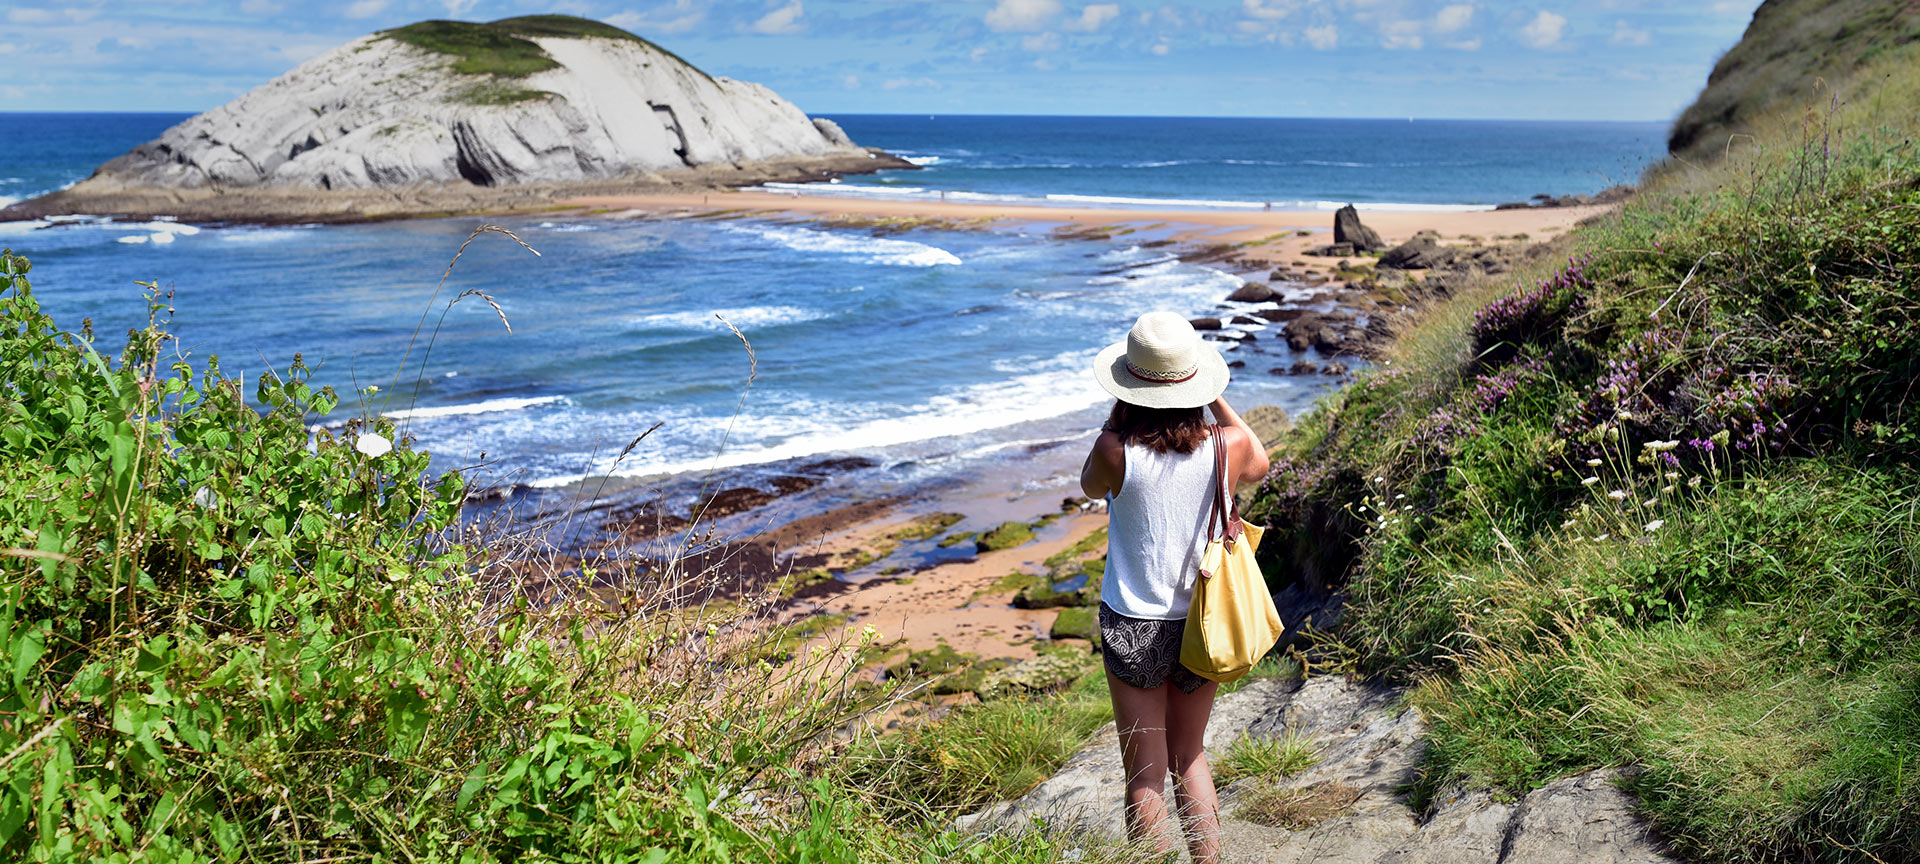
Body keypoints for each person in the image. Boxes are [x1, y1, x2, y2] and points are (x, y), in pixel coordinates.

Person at [1079, 311, 1270, 863]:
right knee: (1189, 756)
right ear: (1195, 383)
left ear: (1129, 385)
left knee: (1143, 775)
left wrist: (1119, 417)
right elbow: (1259, 460)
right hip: (1201, 618)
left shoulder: (1115, 450)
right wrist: (1216, 402)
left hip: (1133, 623)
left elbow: (1089, 485)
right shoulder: (1226, 445)